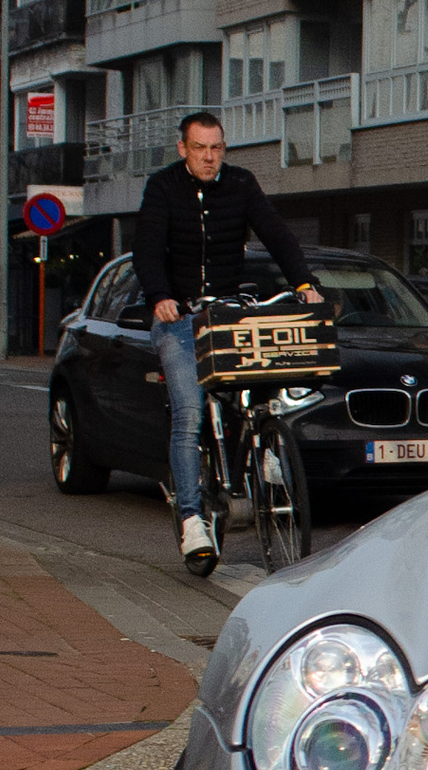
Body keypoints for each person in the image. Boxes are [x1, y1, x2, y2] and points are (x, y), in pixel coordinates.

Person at [130, 111, 322, 575]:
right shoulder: (163, 188)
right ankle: (192, 518)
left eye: (217, 148)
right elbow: (147, 248)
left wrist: (304, 283)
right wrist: (160, 297)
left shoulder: (241, 184)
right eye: (200, 149)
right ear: (183, 149)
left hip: (228, 313)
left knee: (268, 385)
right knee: (190, 413)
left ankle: (266, 454)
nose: (210, 157)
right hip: (180, 317)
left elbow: (276, 234)